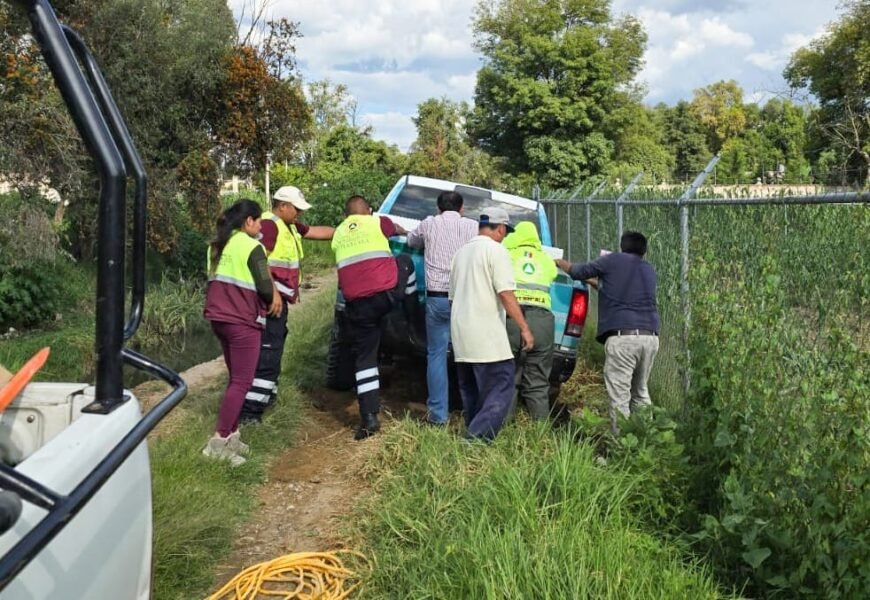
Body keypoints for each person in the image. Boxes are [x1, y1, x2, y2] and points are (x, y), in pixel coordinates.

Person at [239, 186, 335, 424]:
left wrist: (349, 229)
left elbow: (317, 231)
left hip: (278, 300)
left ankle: (266, 398)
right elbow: (258, 261)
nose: (300, 213)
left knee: (275, 348)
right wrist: (273, 294)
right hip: (269, 302)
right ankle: (250, 413)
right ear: (282, 206)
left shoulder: (289, 226)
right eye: (296, 208)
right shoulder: (270, 226)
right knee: (268, 353)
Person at [555, 231, 660, 434]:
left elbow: (579, 271)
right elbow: (616, 292)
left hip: (623, 339)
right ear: (643, 251)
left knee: (619, 397)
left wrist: (560, 263)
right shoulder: (648, 270)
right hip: (650, 337)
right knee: (640, 391)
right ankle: (646, 439)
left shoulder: (612, 260)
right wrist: (594, 283)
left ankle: (621, 450)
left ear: (622, 246)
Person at [202, 199, 279, 466]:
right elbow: (265, 286)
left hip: (219, 318)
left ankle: (233, 434)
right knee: (242, 382)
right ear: (249, 222)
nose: (260, 226)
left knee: (236, 377)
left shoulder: (216, 246)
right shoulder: (252, 246)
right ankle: (218, 442)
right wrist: (273, 300)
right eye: (258, 221)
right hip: (242, 320)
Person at [449, 207, 534, 442]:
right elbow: (506, 293)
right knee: (501, 387)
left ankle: (472, 440)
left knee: (472, 392)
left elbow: (452, 297)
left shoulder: (461, 252)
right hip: (486, 337)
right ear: (500, 228)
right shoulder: (496, 251)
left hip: (461, 335)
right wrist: (524, 328)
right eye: (505, 231)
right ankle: (474, 441)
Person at [332, 195, 406, 440]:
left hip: (357, 305)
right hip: (386, 298)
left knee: (365, 359)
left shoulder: (339, 232)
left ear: (346, 215)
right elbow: (396, 229)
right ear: (370, 211)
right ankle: (412, 319)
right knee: (405, 261)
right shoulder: (379, 223)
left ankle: (369, 418)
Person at [406, 190, 478, 425]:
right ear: (462, 208)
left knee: (436, 355)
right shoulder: (472, 227)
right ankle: (472, 414)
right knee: (468, 355)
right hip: (465, 299)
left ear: (438, 208)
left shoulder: (429, 223)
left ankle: (438, 415)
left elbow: (411, 241)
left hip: (436, 298)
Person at [503, 221, 558, 421]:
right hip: (542, 321)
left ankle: (501, 429)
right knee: (538, 381)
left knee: (507, 375)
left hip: (512, 319)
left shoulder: (506, 255)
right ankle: (540, 433)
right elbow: (551, 275)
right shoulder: (546, 259)